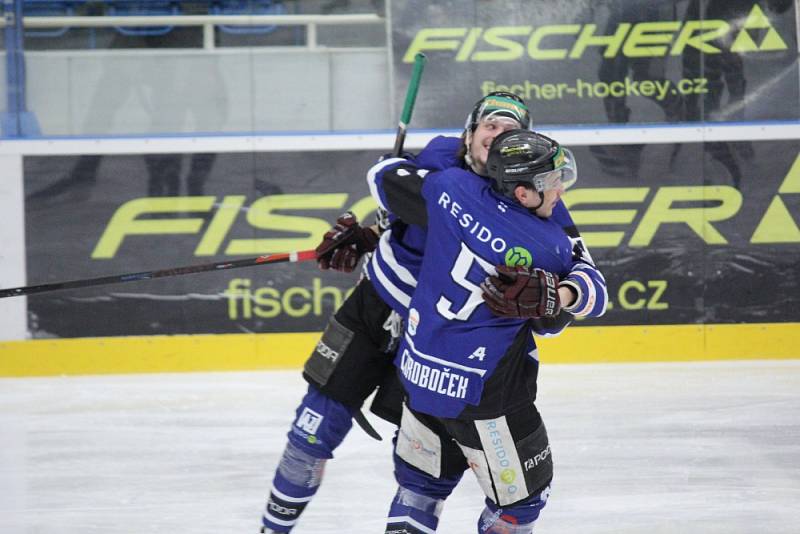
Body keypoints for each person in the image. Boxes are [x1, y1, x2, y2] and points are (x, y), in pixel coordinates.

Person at [259, 93, 581, 533]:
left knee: (424, 474)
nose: (497, 134)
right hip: (376, 307)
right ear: (469, 135)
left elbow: (582, 269)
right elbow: (392, 185)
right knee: (311, 434)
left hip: (432, 339)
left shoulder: (536, 200)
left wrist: (560, 296)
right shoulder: (442, 159)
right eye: (489, 126)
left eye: (510, 130)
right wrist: (372, 231)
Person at [369, 129, 607, 533]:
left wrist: (377, 228)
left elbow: (385, 174)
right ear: (522, 194)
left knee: (419, 490)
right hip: (487, 397)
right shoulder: (548, 248)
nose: (560, 193)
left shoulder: (449, 185)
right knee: (523, 503)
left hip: (421, 380)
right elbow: (581, 306)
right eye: (551, 184)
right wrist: (562, 294)